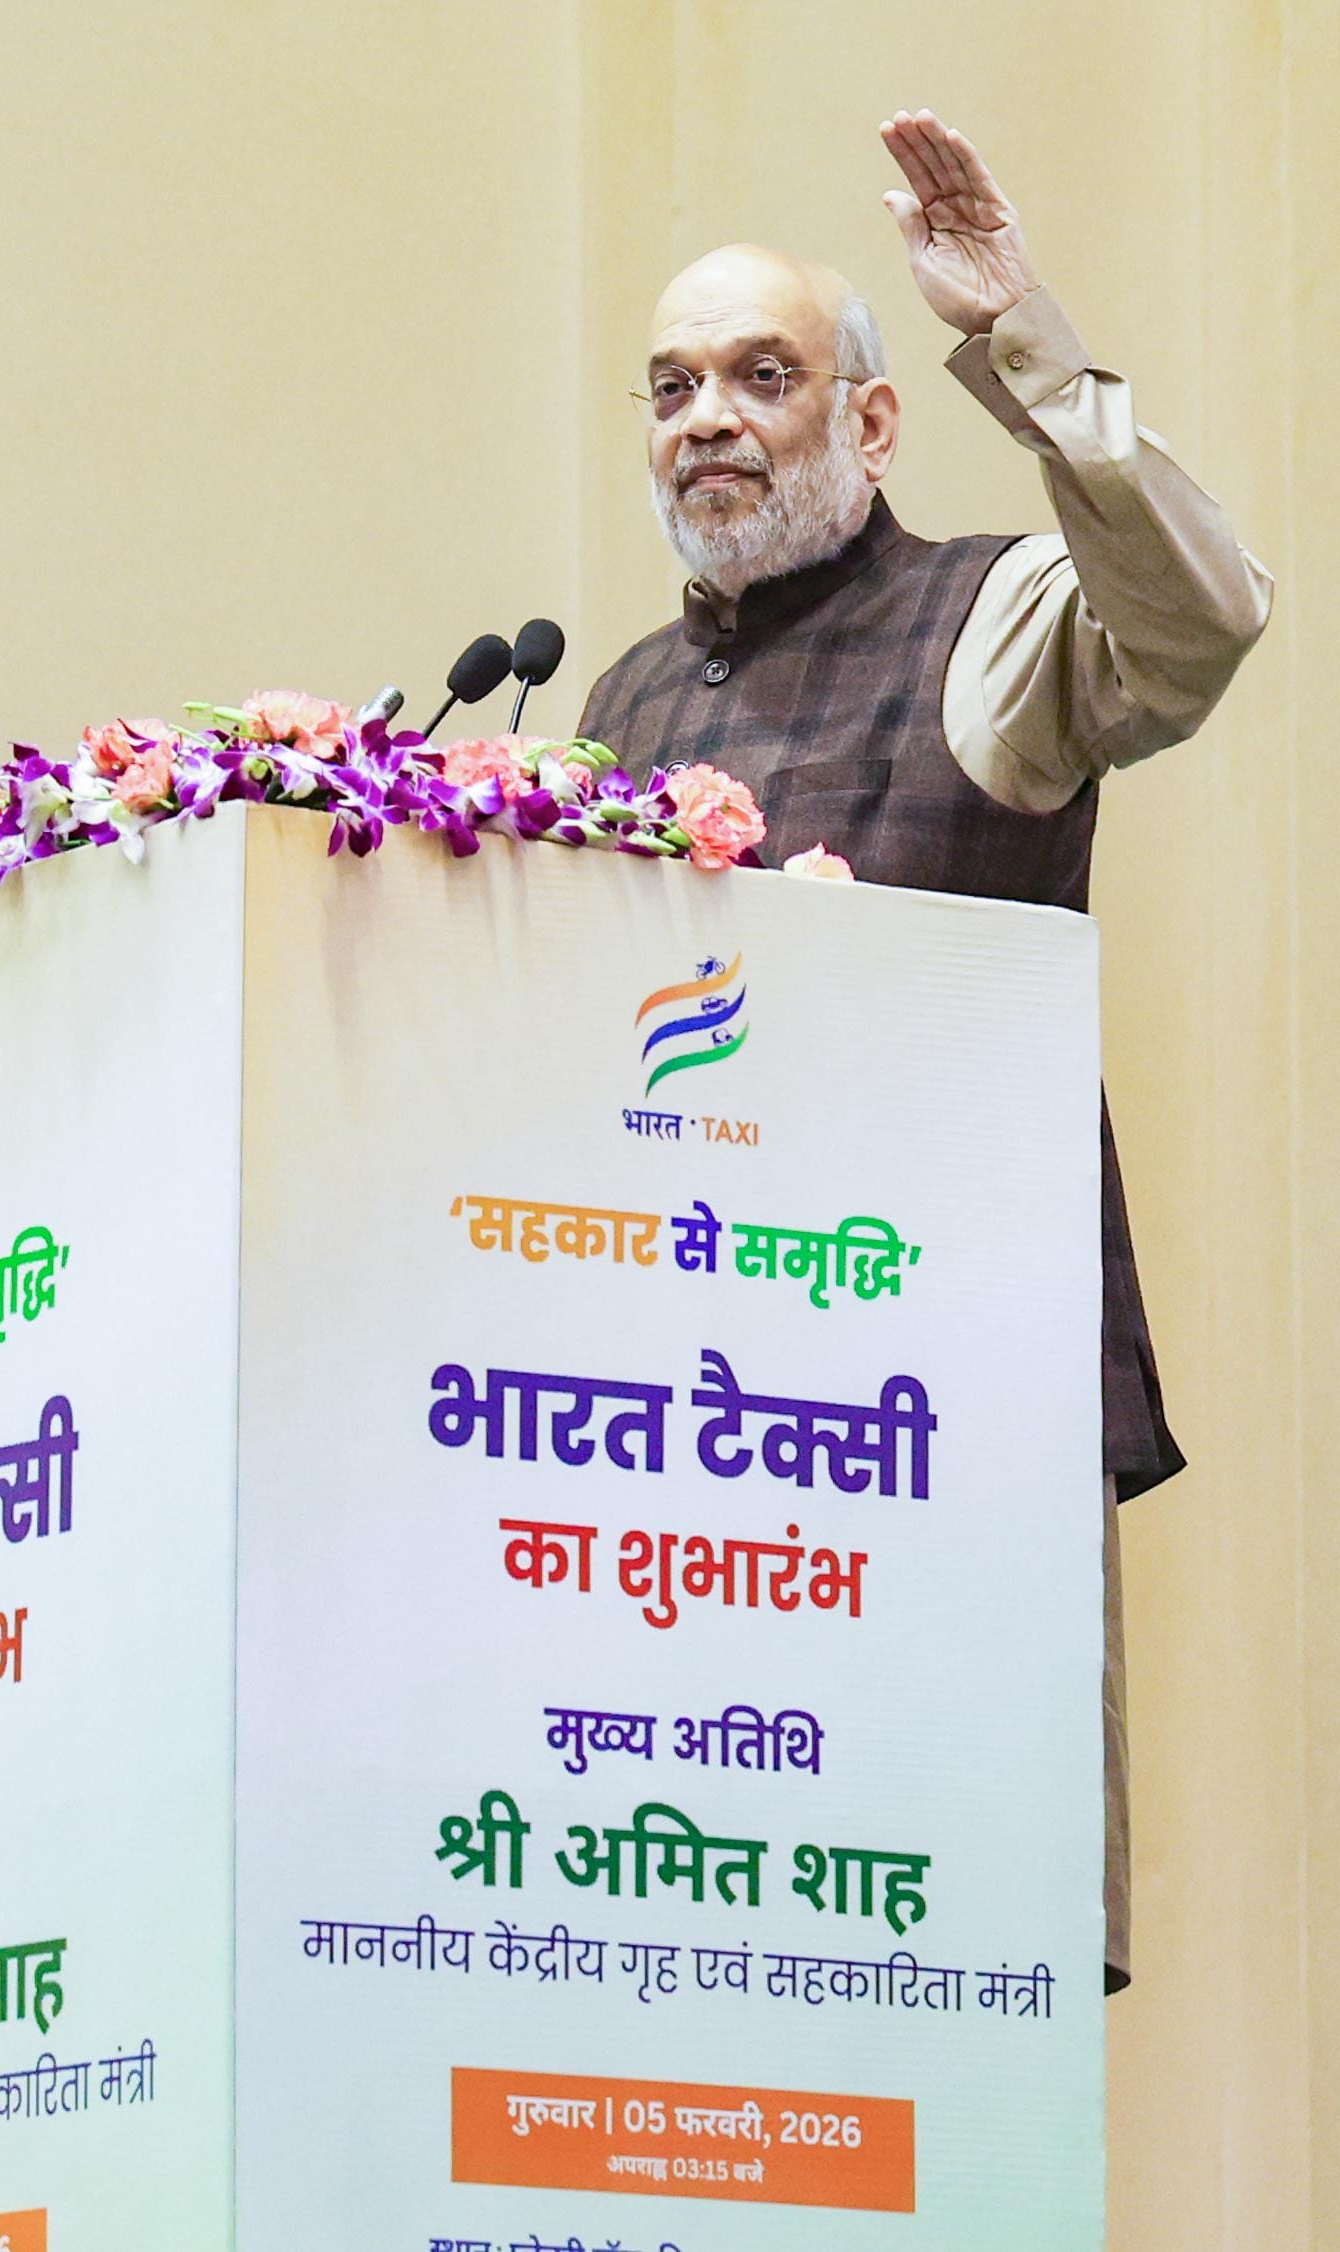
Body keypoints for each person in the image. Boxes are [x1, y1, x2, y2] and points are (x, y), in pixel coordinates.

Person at [578, 109, 1273, 1994]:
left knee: (959, 1967)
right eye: (671, 388)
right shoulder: (612, 701)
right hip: (662, 1441)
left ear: (874, 423)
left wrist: (1023, 340)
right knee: (674, 1960)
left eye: (763, 376)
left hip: (939, 1414)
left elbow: (1205, 620)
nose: (707, 420)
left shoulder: (994, 614)